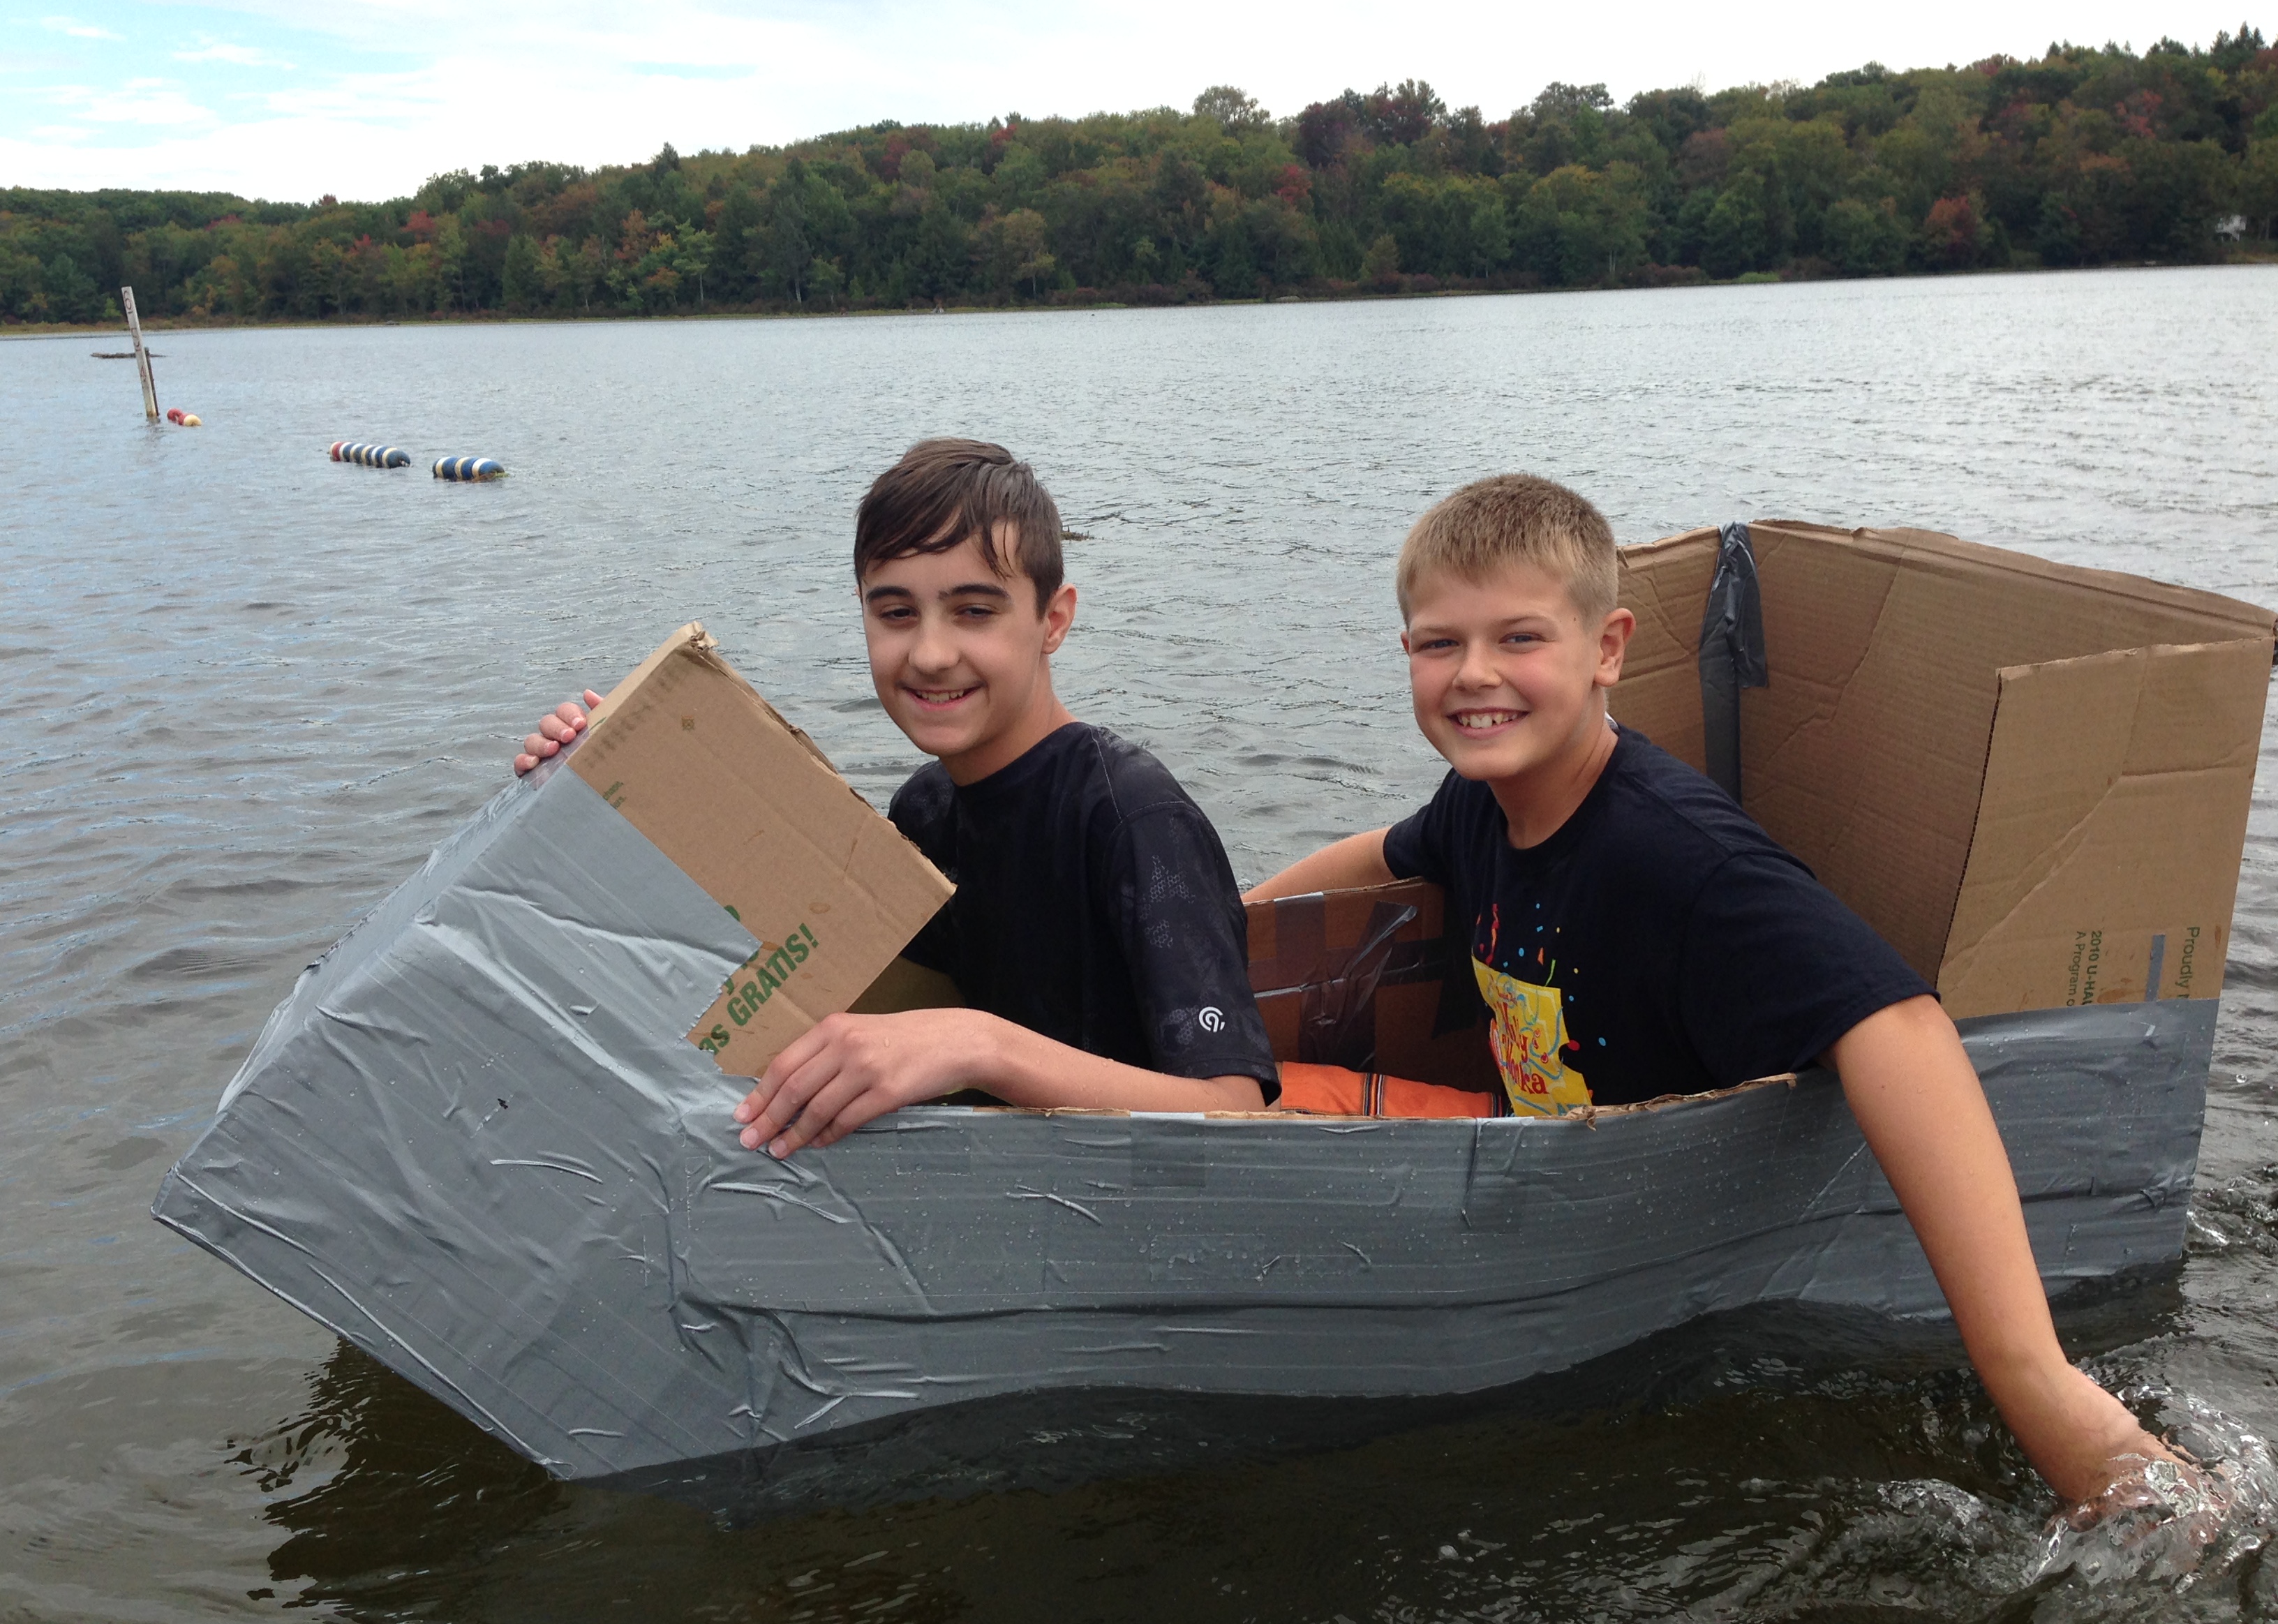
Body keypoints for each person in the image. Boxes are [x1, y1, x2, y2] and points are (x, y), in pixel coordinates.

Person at [1244, 472, 2178, 1507]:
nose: (1475, 676)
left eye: (1520, 639)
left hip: (1676, 1245)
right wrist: (1226, 930)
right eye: (1438, 644)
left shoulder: (1680, 860)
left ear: (1608, 649)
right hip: (1544, 1162)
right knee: (1251, 1086)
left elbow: (1901, 1026)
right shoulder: (1479, 804)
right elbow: (1381, 851)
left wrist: (2032, 1377)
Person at [517, 439, 1277, 1159]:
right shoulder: (927, 808)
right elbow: (810, 960)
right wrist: (600, 773)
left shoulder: (1133, 819)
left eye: (975, 611)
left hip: (1141, 1204)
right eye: (895, 613)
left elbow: (1234, 1115)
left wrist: (977, 1043)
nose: (930, 653)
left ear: (1053, 620)